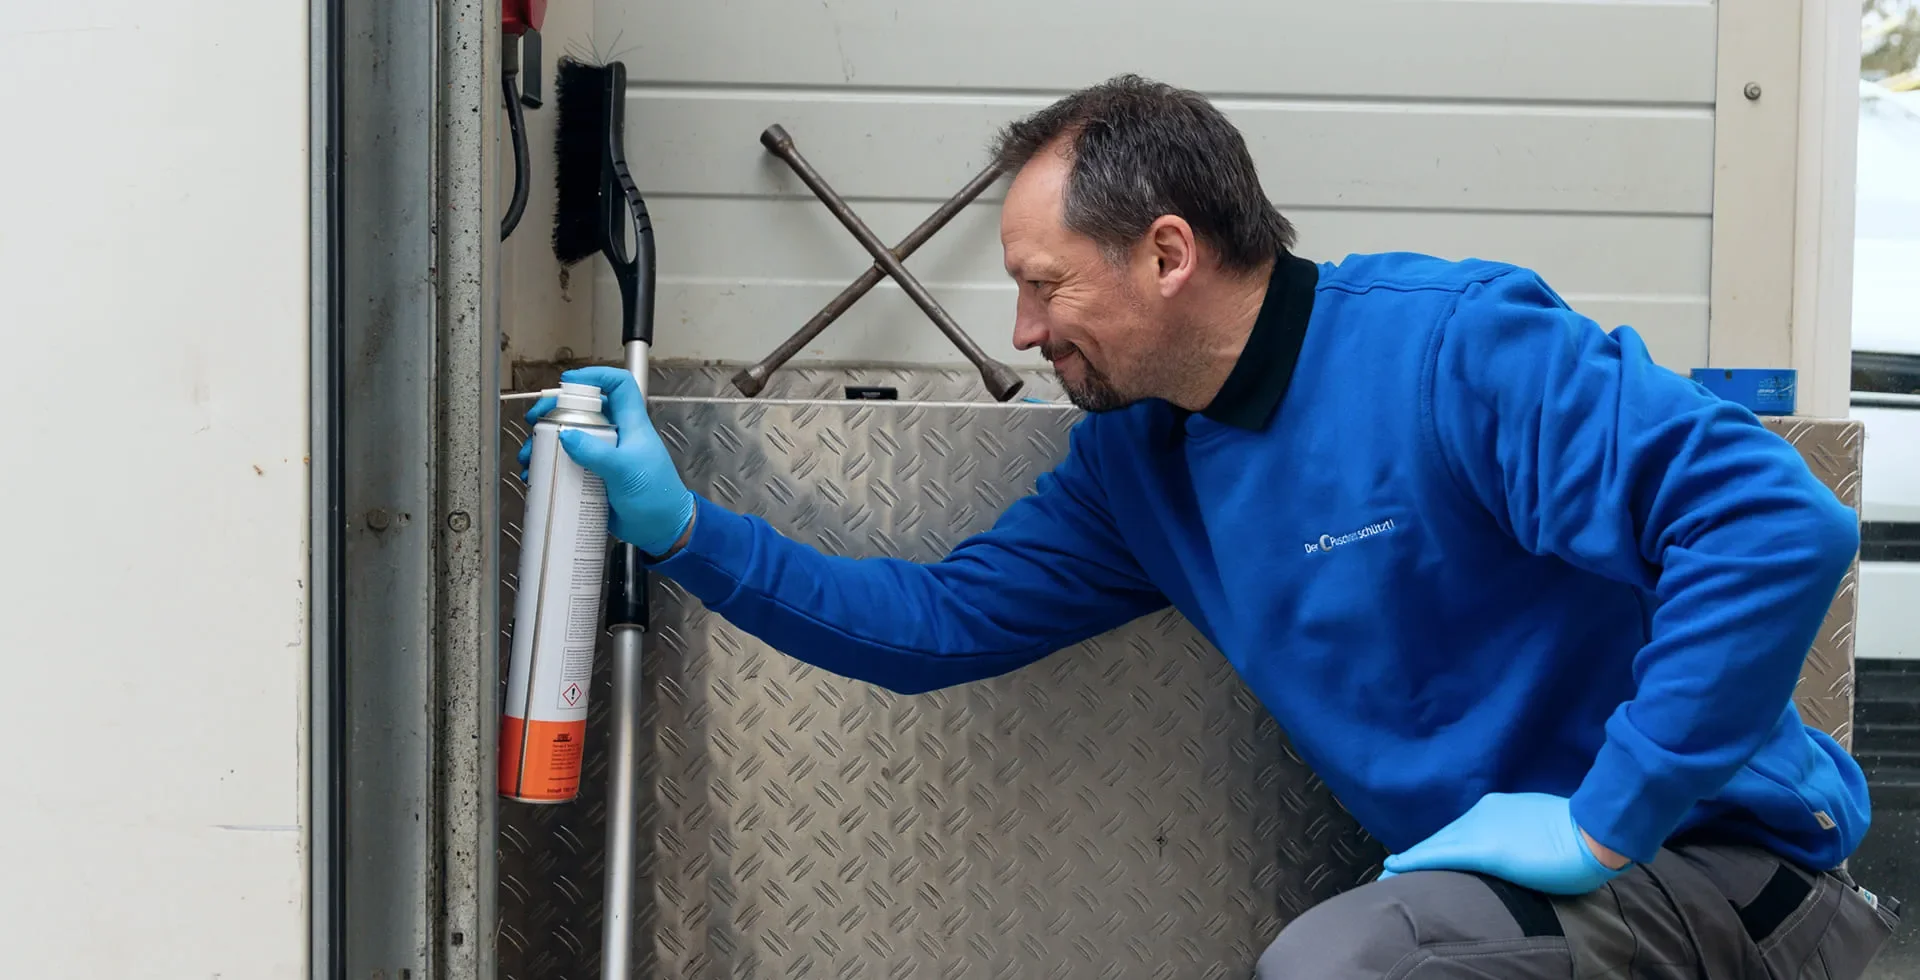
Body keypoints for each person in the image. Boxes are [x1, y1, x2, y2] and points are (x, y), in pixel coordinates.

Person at [529, 75, 1900, 977]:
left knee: (1334, 972)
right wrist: (686, 524)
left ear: (1169, 254)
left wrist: (1605, 822)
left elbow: (1776, 522)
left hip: (1717, 882)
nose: (1020, 332)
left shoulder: (1452, 354)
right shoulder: (1142, 467)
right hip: (1529, 927)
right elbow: (927, 625)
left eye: (1044, 286)